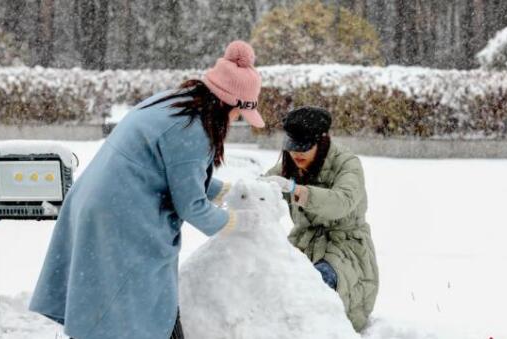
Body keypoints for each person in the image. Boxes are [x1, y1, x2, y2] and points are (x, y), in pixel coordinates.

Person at [29, 40, 262, 339]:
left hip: (102, 203)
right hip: (123, 215)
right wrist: (239, 222)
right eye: (239, 113)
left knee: (107, 301)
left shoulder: (174, 103)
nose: (236, 120)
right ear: (228, 103)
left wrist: (225, 191)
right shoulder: (193, 130)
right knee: (138, 307)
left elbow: (176, 172)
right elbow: (192, 206)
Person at [261, 106, 379, 332]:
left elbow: (341, 202)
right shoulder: (290, 165)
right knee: (270, 279)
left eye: (304, 147)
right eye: (292, 147)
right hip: (303, 243)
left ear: (322, 142)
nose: (297, 154)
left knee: (314, 285)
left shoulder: (347, 164)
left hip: (347, 248)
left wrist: (298, 191)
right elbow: (262, 183)